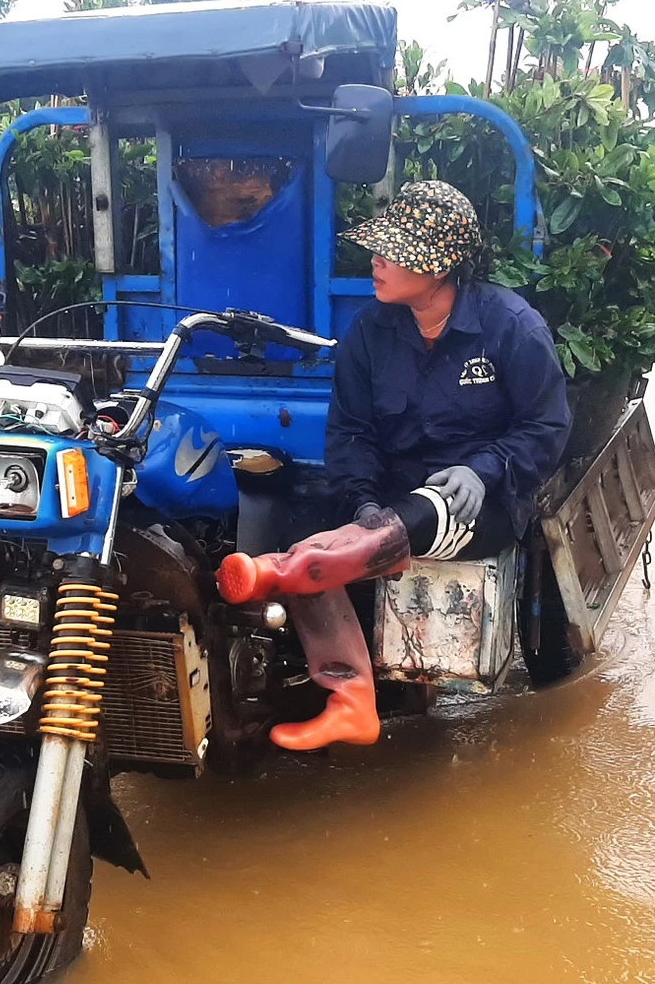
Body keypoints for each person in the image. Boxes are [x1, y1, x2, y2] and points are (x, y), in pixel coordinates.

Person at [217, 180, 570, 750]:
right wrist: (361, 502)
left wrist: (485, 468)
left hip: (482, 505)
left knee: (429, 507)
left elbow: (546, 427)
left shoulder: (511, 327)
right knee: (322, 533)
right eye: (379, 248)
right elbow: (350, 432)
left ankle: (291, 567)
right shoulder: (370, 331)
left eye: (396, 252)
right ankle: (351, 699)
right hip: (384, 504)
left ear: (441, 265)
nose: (377, 261)